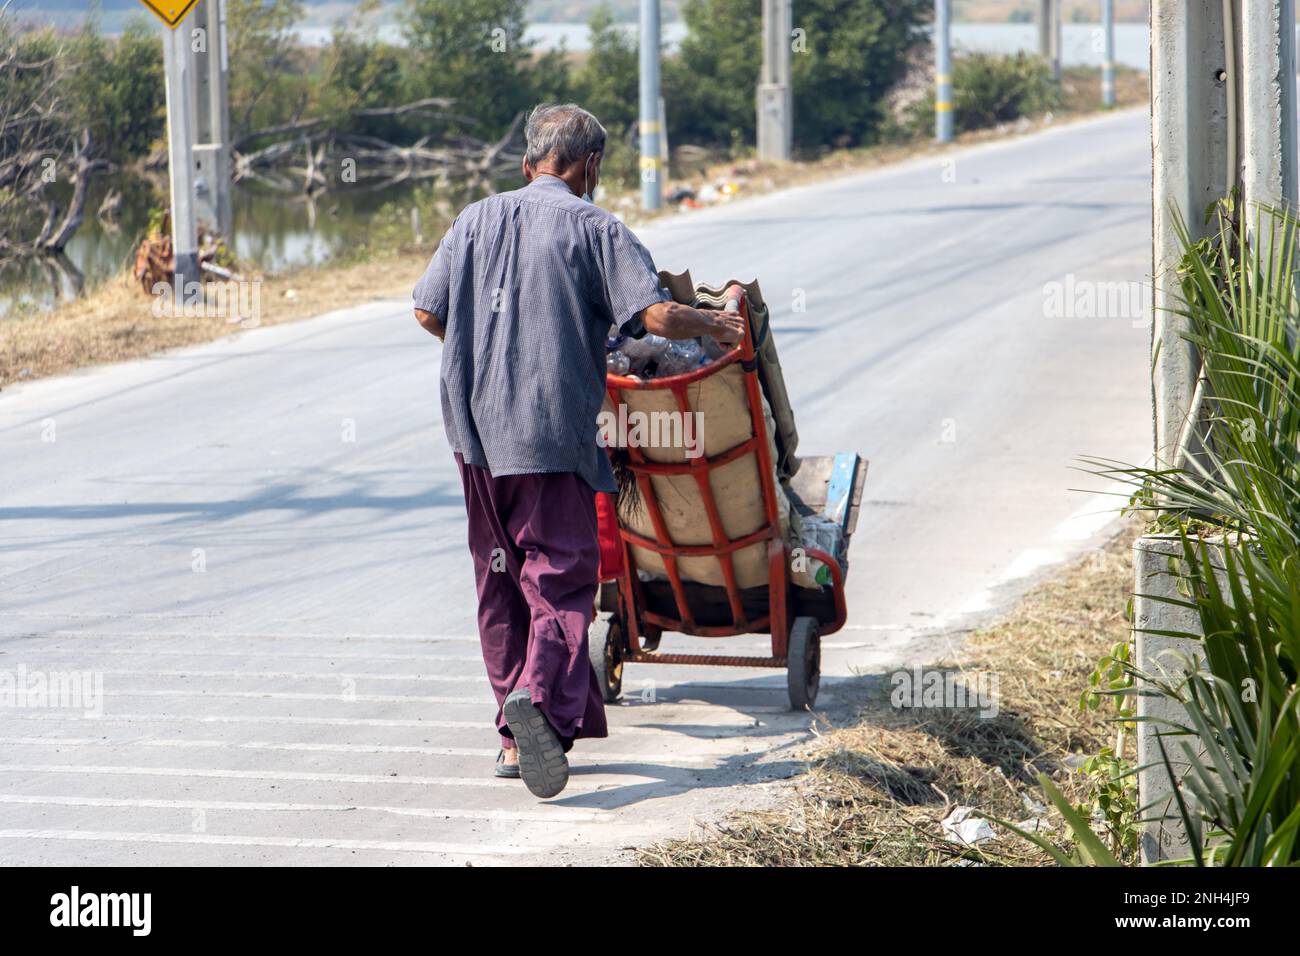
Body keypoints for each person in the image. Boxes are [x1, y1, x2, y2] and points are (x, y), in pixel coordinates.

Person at [412, 103, 744, 798]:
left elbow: (427, 310)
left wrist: (486, 357)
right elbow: (652, 316)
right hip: (548, 433)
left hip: (472, 435)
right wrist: (716, 323)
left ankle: (512, 739)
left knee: (498, 578)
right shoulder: (596, 227)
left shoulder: (473, 218)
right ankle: (540, 700)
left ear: (529, 160)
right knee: (560, 576)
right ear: (589, 166)